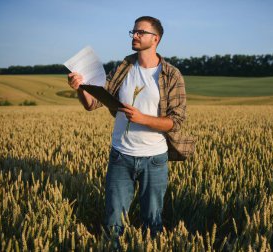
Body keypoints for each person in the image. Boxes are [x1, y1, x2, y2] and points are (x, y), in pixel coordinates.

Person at [67, 16, 195, 237]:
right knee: (113, 223)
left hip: (155, 159)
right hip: (121, 156)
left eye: (140, 32)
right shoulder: (123, 68)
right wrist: (80, 88)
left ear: (155, 39)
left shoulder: (171, 75)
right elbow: (92, 103)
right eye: (133, 32)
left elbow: (176, 120)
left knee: (152, 222)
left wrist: (142, 118)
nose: (134, 36)